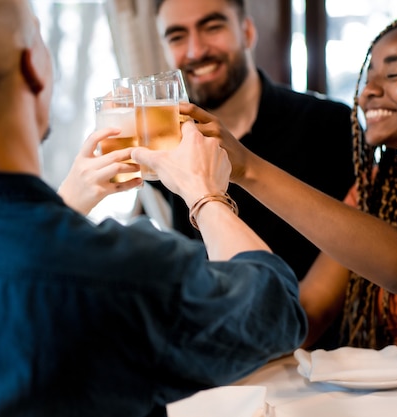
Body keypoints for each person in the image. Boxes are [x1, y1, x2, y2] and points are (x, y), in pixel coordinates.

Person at [0, 1, 307, 416]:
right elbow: (274, 314)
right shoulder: (125, 270)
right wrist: (204, 195)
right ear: (33, 68)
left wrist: (64, 205)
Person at [176, 14, 397, 380]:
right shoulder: (373, 193)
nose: (368, 92)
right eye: (368, 77)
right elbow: (309, 310)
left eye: (393, 75)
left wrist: (247, 168)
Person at [150, 0, 355, 349]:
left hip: (320, 367)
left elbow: (351, 264)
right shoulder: (168, 145)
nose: (196, 50)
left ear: (246, 30)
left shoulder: (330, 125)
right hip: (215, 366)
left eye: (212, 27)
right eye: (177, 36)